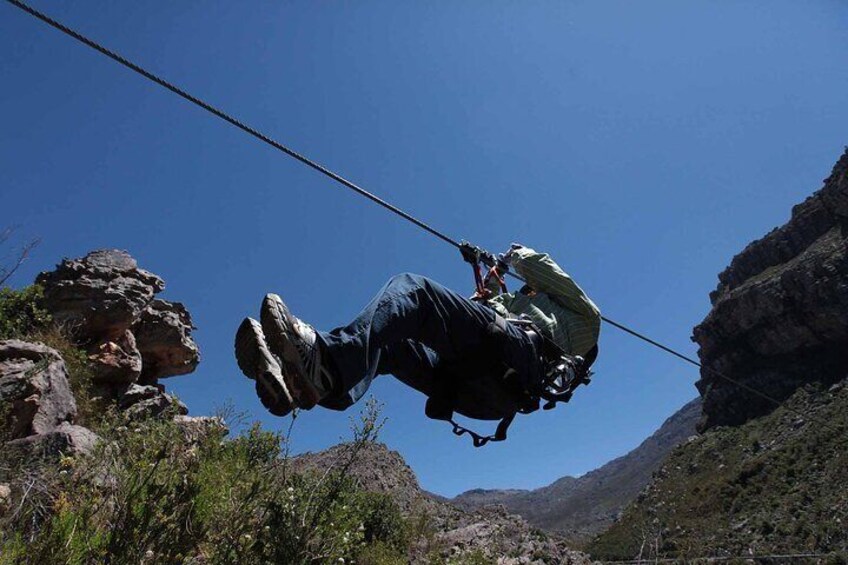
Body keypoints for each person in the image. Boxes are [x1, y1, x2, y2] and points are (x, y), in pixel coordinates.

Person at [234, 244, 601, 439]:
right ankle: (316, 384)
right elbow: (469, 318)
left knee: (415, 290)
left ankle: (326, 362)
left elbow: (547, 274)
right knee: (393, 340)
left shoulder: (585, 320)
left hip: (511, 365)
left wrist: (511, 257)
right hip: (478, 389)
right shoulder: (512, 308)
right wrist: (490, 292)